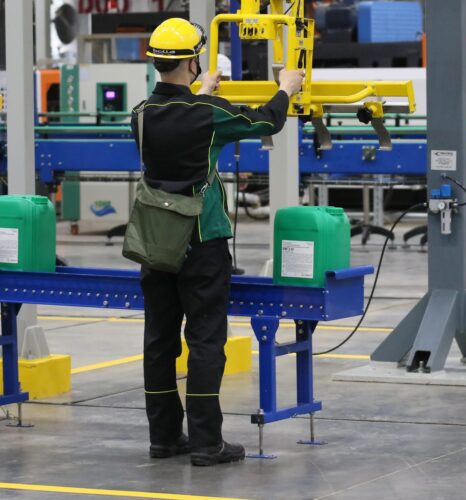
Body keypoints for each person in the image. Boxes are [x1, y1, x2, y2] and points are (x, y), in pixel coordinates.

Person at [131, 18, 305, 467]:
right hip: (201, 241)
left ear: (155, 63)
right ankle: (207, 443)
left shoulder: (141, 115)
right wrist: (286, 87)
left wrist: (200, 91)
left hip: (155, 243)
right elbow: (267, 120)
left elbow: (177, 124)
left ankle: (164, 438)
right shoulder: (209, 114)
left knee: (159, 340)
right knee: (205, 340)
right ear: (192, 62)